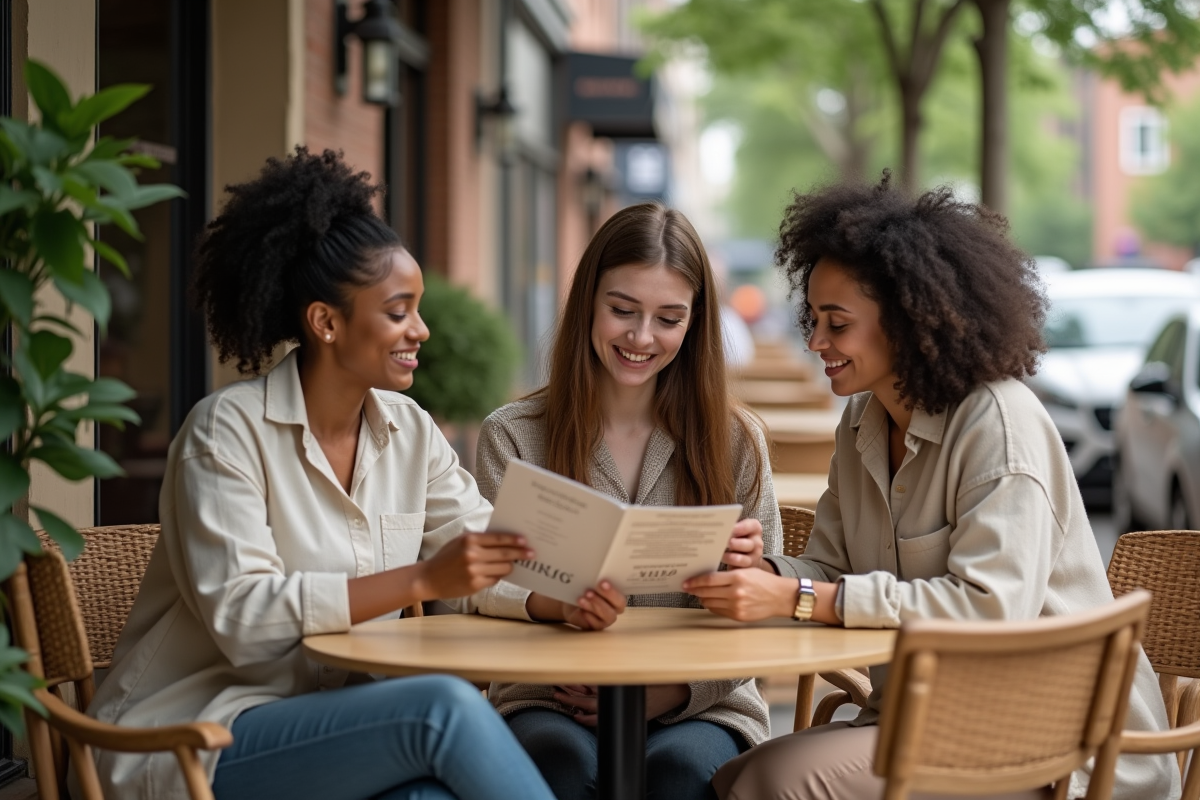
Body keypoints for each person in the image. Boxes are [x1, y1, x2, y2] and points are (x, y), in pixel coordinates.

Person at [680, 175, 1180, 800]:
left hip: (1054, 748)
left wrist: (799, 597)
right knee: (729, 777)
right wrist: (762, 567)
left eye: (837, 323)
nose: (815, 342)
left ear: (910, 322)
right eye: (814, 319)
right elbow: (829, 567)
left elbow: (990, 610)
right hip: (928, 721)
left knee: (772, 783)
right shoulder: (862, 421)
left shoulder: (998, 423)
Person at [84, 148, 557, 800]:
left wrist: (546, 597)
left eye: (417, 309)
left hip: (335, 730)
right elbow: (244, 620)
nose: (421, 329)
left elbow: (481, 553)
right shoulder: (225, 432)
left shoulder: (412, 432)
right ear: (326, 322)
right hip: (196, 738)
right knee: (440, 710)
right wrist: (420, 578)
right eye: (398, 311)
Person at [473, 202, 780, 800]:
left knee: (682, 775)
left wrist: (751, 576)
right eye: (621, 311)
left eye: (668, 318)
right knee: (559, 764)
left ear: (695, 323)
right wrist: (548, 605)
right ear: (589, 301)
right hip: (548, 696)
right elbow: (483, 589)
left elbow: (759, 620)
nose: (641, 338)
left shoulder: (736, 441)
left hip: (699, 701)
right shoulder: (513, 435)